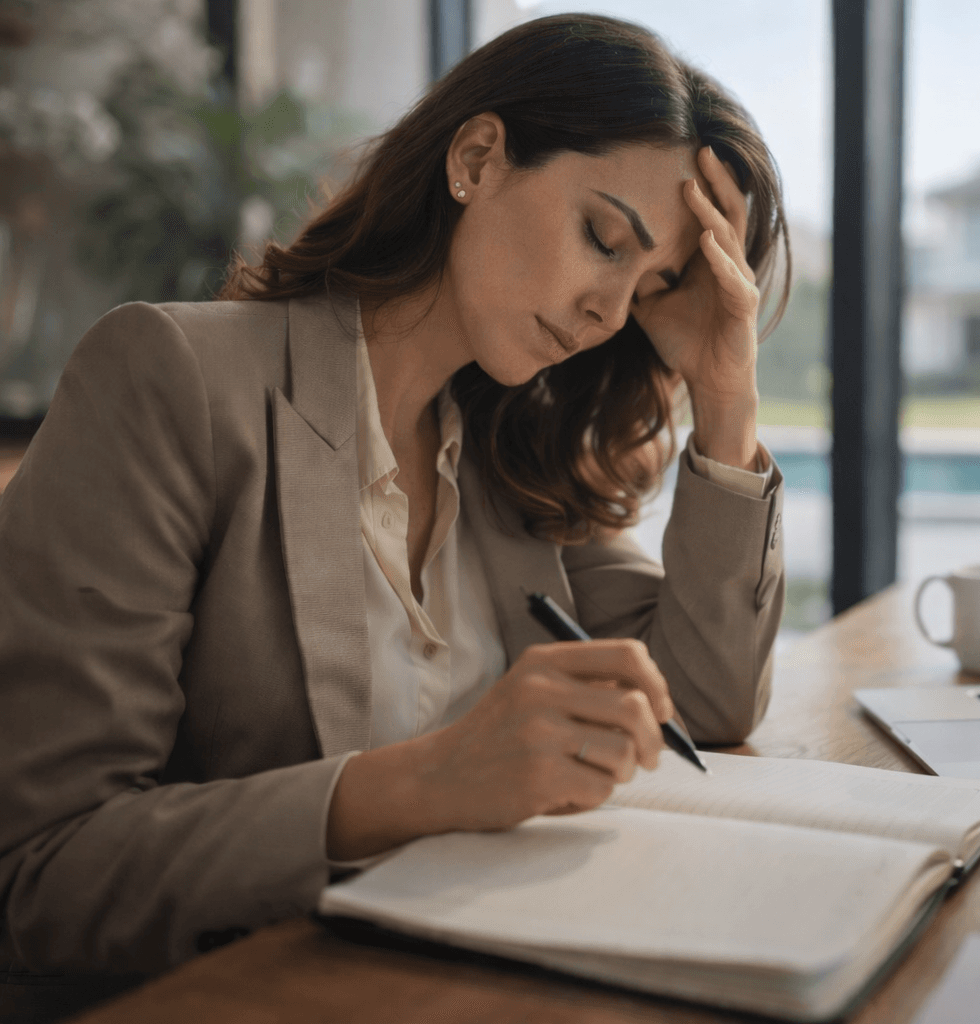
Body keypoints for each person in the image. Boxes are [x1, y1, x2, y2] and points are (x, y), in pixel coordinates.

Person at [0, 11, 788, 1003]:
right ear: (477, 157)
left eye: (651, 285)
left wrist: (726, 397)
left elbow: (703, 704)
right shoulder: (173, 378)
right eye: (602, 238)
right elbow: (37, 871)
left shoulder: (513, 455)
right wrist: (424, 781)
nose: (608, 314)